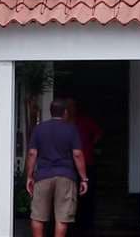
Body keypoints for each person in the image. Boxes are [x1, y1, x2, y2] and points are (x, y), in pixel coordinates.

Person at [26, 99, 89, 237]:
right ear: (65, 112)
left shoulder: (39, 129)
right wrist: (84, 178)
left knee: (37, 217)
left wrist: (29, 176)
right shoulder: (71, 129)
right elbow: (77, 154)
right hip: (65, 176)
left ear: (50, 112)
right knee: (62, 217)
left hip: (42, 176)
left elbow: (32, 153)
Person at [67, 99, 103, 233]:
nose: (70, 109)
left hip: (86, 163)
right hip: (68, 166)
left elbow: (99, 133)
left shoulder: (84, 121)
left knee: (87, 196)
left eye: (72, 106)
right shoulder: (62, 124)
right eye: (68, 106)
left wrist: (90, 144)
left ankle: (86, 226)